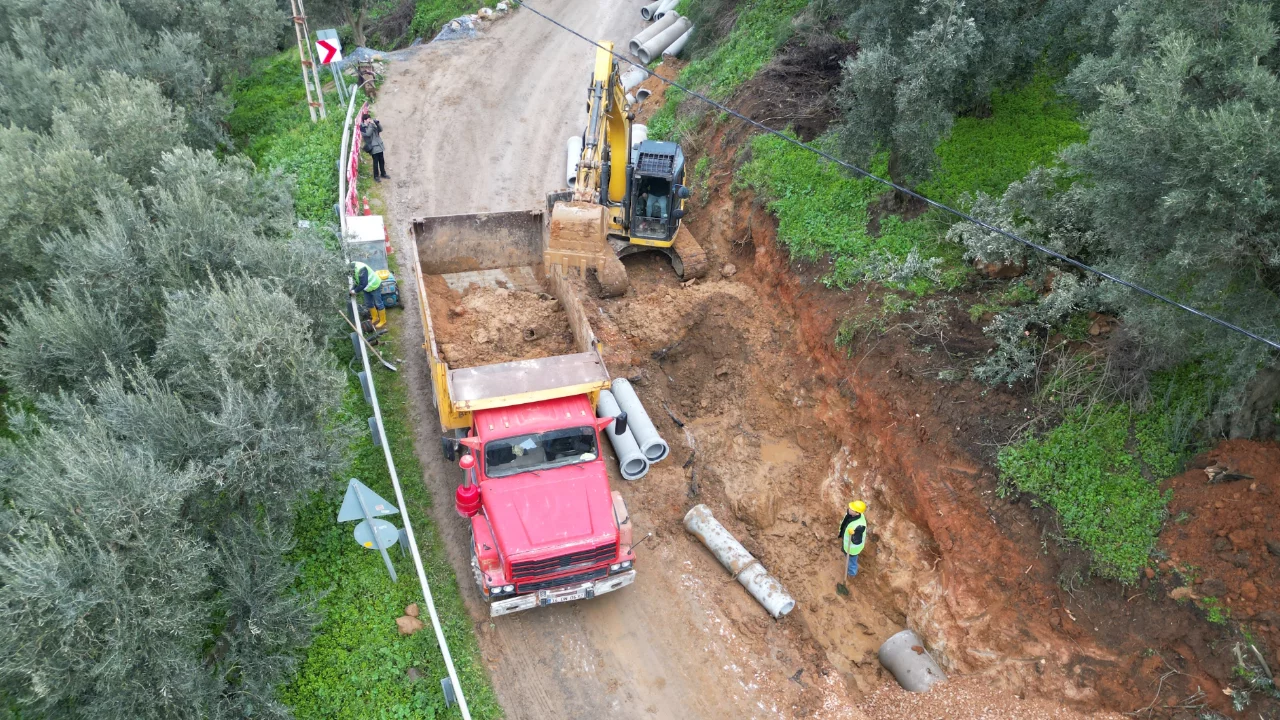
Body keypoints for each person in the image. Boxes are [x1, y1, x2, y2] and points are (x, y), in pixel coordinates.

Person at [350, 261, 386, 330]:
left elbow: (363, 283)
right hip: (367, 288)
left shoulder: (361, 269)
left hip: (374, 285)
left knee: (378, 303)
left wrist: (354, 291)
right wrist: (352, 289)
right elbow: (357, 281)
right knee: (369, 303)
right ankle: (375, 318)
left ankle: (383, 321)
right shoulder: (353, 268)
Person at [838, 500, 868, 578]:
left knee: (852, 562)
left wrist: (854, 534)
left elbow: (857, 541)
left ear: (857, 513)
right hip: (846, 543)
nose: (849, 509)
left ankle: (852, 573)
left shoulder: (860, 526)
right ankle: (845, 552)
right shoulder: (851, 514)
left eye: (852, 509)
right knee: (846, 553)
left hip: (852, 550)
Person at [361, 115, 388, 182]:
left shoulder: (372, 125)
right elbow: (367, 134)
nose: (370, 120)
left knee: (382, 160)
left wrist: (377, 123)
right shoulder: (362, 127)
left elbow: (380, 130)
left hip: (379, 145)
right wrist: (371, 125)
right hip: (372, 147)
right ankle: (376, 176)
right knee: (375, 162)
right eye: (368, 119)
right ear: (365, 120)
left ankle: (383, 173)